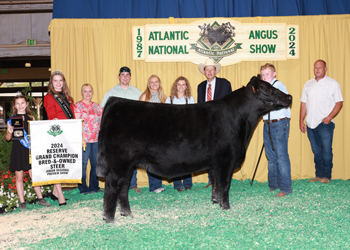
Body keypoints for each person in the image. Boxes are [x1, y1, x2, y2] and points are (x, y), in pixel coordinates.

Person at [100, 66, 143, 193]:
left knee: (133, 158)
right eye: (122, 75)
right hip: (116, 133)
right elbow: (104, 111)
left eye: (127, 75)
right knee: (116, 159)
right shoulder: (111, 93)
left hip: (133, 132)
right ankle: (117, 184)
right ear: (119, 76)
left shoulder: (137, 93)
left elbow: (142, 113)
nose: (125, 77)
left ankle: (133, 184)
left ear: (130, 76)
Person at [300, 60, 343, 184]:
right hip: (310, 123)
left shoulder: (333, 83)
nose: (317, 69)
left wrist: (329, 117)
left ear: (325, 69)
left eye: (320, 67)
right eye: (315, 67)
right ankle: (318, 175)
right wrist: (301, 121)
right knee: (316, 151)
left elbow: (339, 102)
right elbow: (303, 103)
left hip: (325, 123)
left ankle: (326, 176)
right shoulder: (308, 84)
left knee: (326, 150)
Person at [6, 94, 51, 209]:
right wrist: (9, 132)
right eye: (18, 103)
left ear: (26, 104)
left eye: (22, 103)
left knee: (34, 176)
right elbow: (8, 139)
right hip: (18, 151)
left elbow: (35, 136)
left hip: (30, 150)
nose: (20, 105)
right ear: (14, 106)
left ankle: (40, 198)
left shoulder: (31, 118)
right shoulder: (11, 120)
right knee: (19, 177)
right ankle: (22, 202)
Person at [197, 58, 232, 188]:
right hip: (206, 125)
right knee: (208, 152)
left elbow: (230, 104)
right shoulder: (200, 87)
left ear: (216, 71)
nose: (210, 71)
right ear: (204, 72)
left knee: (222, 152)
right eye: (207, 69)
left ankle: (222, 179)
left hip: (221, 124)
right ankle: (211, 180)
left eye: (212, 69)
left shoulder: (225, 84)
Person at [44, 70, 75, 206]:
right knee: (57, 163)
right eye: (55, 81)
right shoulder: (49, 97)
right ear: (51, 83)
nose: (58, 83)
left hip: (68, 133)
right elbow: (51, 116)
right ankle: (60, 196)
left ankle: (54, 193)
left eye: (60, 80)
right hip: (56, 133)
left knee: (63, 163)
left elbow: (73, 116)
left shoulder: (68, 98)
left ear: (64, 82)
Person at [260, 63, 292, 197]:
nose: (265, 77)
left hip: (279, 123)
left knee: (281, 156)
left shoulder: (278, 86)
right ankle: (274, 184)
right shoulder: (264, 88)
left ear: (274, 74)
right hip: (267, 123)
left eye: (267, 74)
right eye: (262, 75)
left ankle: (285, 188)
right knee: (271, 156)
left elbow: (277, 102)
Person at [166, 76, 195, 191]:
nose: (181, 87)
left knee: (188, 159)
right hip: (174, 134)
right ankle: (177, 184)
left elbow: (193, 117)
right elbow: (167, 118)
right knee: (175, 159)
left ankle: (188, 183)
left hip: (187, 133)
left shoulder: (190, 99)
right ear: (175, 86)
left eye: (183, 84)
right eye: (179, 84)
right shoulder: (169, 100)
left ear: (186, 86)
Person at [139, 75, 166, 193]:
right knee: (151, 159)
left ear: (159, 83)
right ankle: (154, 186)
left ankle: (158, 185)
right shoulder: (144, 96)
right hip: (148, 132)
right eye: (152, 82)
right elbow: (139, 114)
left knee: (159, 159)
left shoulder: (164, 98)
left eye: (156, 82)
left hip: (160, 132)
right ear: (149, 84)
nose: (154, 84)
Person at [74, 84, 102, 195]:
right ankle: (83, 188)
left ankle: (94, 186)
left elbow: (101, 122)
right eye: (85, 91)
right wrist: (80, 138)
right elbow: (76, 123)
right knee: (83, 164)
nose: (87, 93)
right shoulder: (78, 106)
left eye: (90, 91)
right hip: (83, 139)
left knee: (95, 164)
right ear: (81, 92)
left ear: (92, 92)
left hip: (95, 139)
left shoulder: (97, 106)